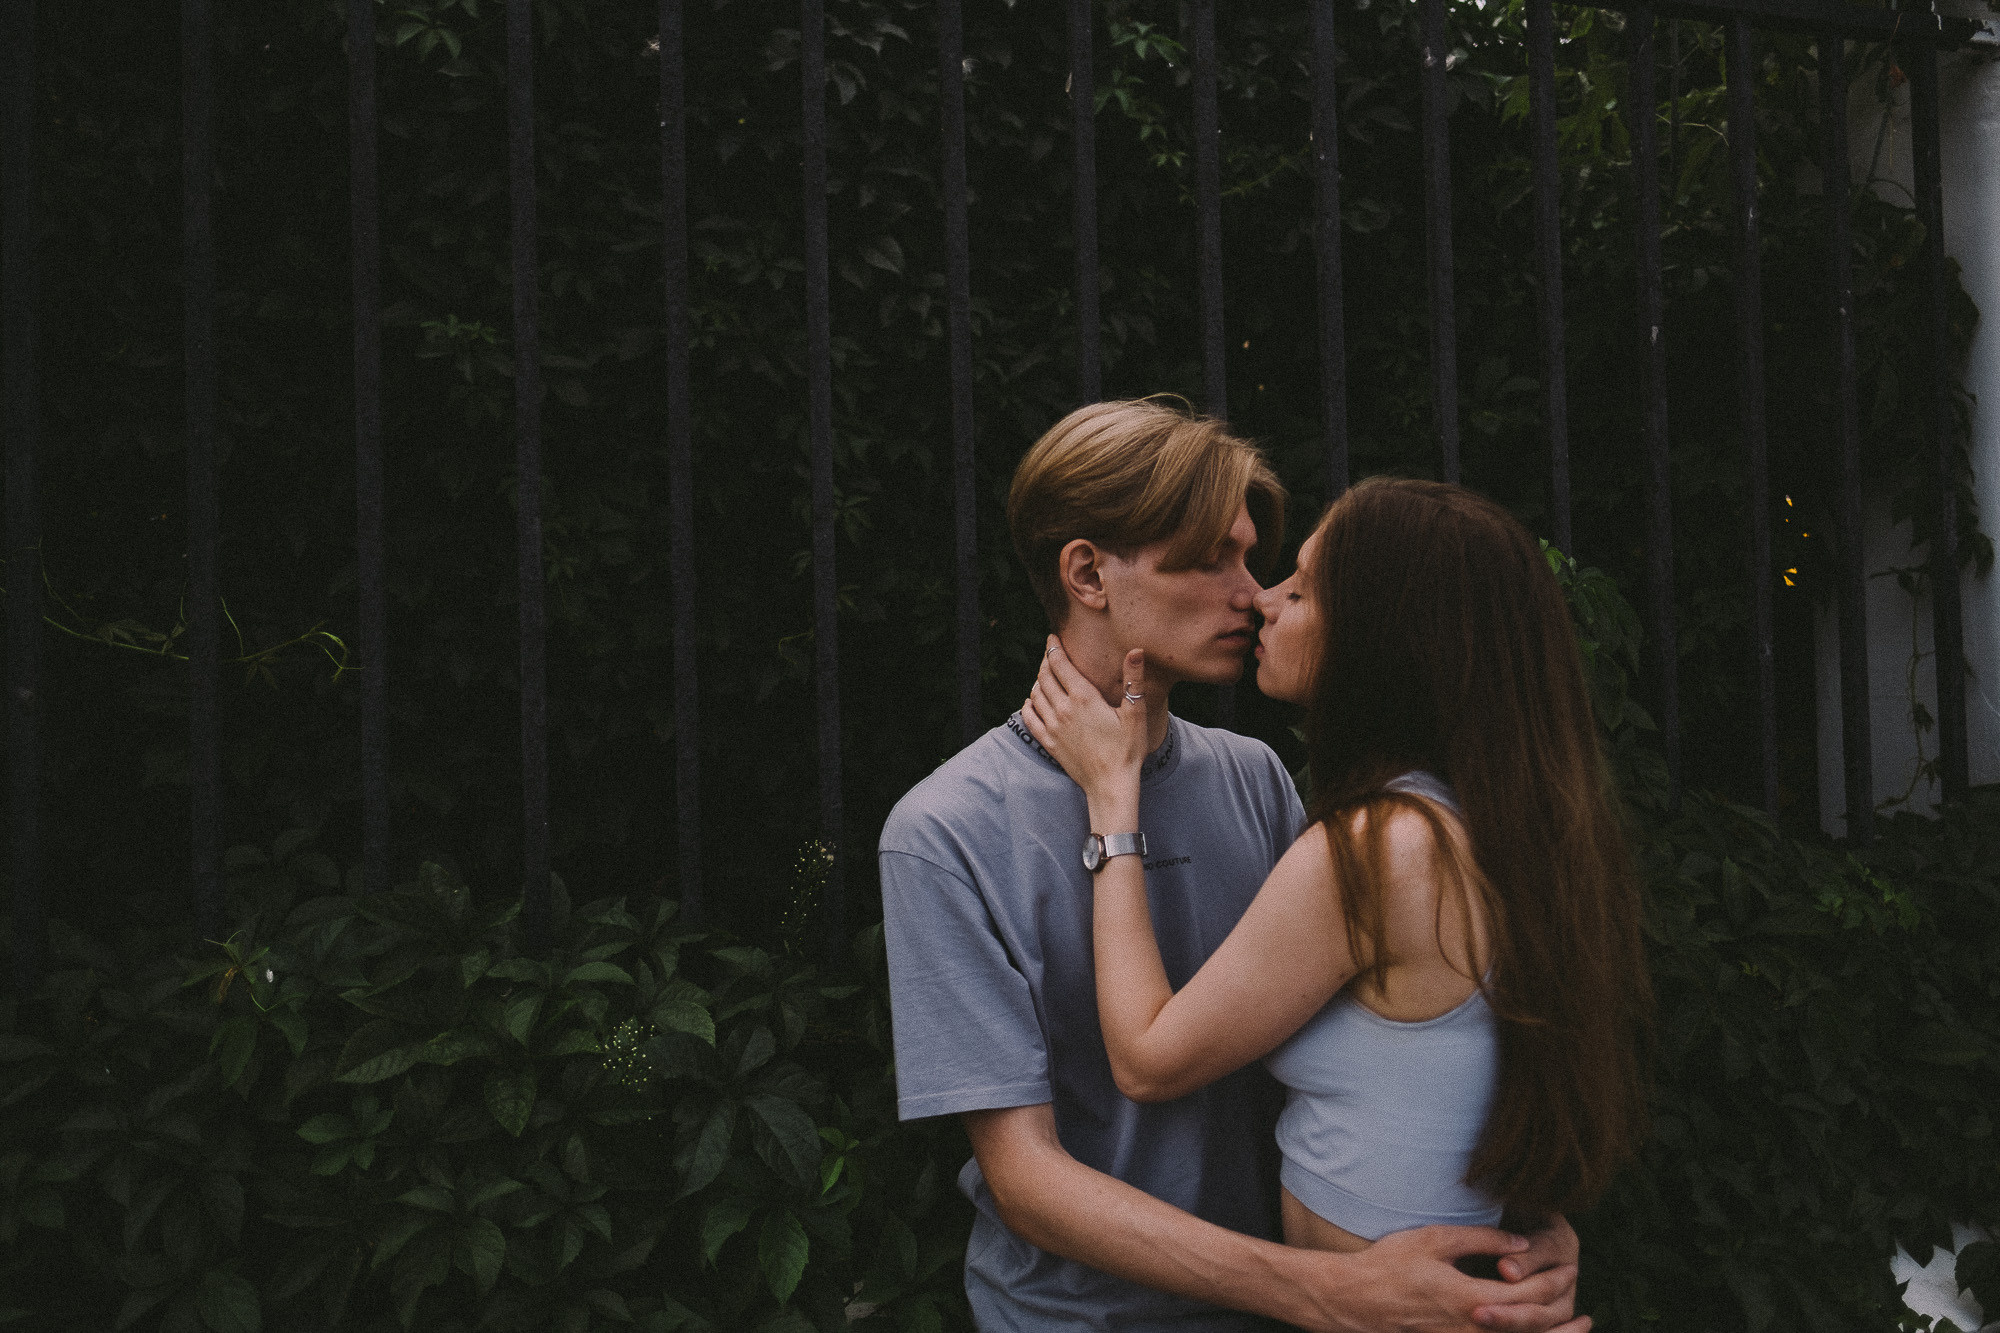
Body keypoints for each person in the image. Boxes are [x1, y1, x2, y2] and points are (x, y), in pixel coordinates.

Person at [879, 401, 1588, 1333]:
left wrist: (1520, 1225)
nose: (1252, 593)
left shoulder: (1254, 778)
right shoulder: (943, 830)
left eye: (1253, 558)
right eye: (1207, 558)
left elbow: (1387, 1049)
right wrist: (1324, 1288)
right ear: (1088, 571)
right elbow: (1028, 1182)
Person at [1019, 478, 1651, 1288]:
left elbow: (1146, 1058)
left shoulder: (1384, 847)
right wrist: (1529, 1221)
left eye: (1304, 588)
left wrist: (1112, 796)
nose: (1264, 601)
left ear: (1385, 637)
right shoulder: (1485, 824)